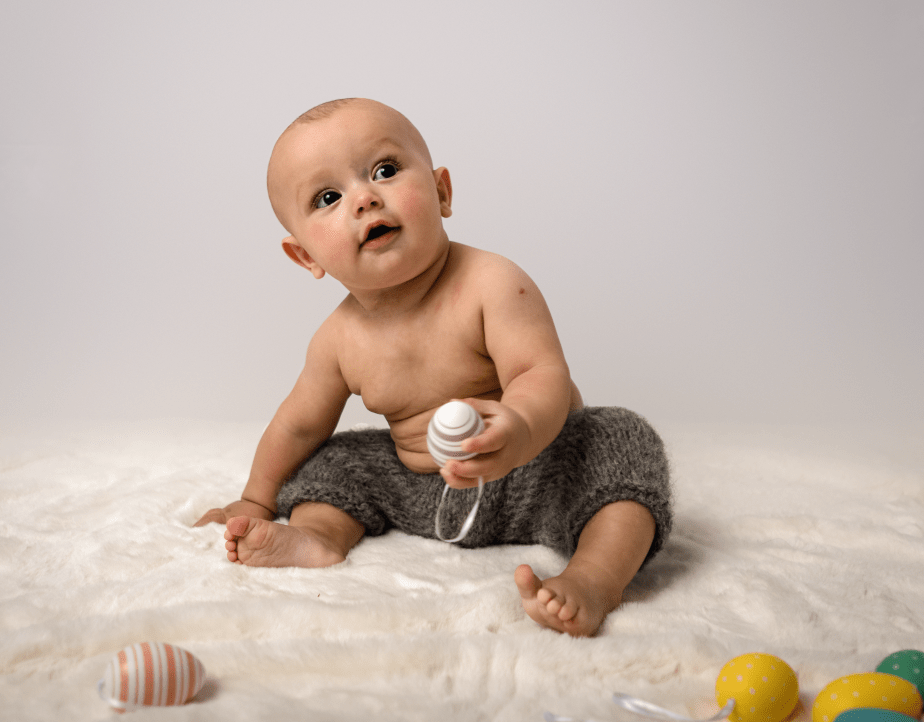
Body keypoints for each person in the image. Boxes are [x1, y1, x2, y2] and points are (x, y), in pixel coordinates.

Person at [194, 98, 671, 637]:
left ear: (442, 192)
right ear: (307, 256)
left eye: (385, 170)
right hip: (421, 491)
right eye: (328, 198)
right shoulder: (337, 340)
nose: (365, 198)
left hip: (537, 474)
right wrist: (257, 498)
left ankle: (592, 580)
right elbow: (298, 424)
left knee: (622, 439)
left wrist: (515, 429)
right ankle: (320, 537)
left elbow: (540, 375)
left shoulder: (492, 282)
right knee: (330, 460)